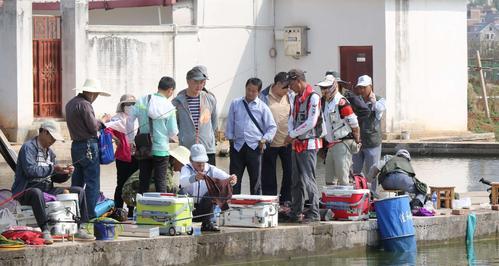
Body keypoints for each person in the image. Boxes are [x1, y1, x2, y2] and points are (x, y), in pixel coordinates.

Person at [11, 121, 94, 243]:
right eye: (52, 137)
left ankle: (80, 228)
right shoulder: (27, 148)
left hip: (47, 189)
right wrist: (53, 168)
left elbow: (55, 177)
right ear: (44, 132)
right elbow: (30, 171)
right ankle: (45, 230)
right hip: (26, 190)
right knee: (36, 192)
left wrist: (66, 173)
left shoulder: (50, 153)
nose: (53, 141)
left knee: (79, 191)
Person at [283, 69, 326, 223]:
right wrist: (291, 133)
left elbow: (311, 122)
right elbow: (292, 117)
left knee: (309, 179)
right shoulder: (295, 98)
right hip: (296, 144)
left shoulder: (313, 97)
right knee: (296, 180)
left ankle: (314, 212)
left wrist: (293, 134)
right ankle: (296, 211)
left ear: (298, 81)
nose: (290, 87)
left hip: (309, 144)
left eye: (291, 84)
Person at [65, 78, 110, 218]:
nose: (96, 97)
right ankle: (89, 215)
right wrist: (102, 121)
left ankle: (74, 214)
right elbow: (92, 126)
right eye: (96, 94)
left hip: (76, 146)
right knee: (92, 182)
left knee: (77, 182)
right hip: (88, 146)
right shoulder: (85, 105)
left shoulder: (70, 104)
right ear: (91, 93)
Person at [225, 78, 277, 195]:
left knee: (256, 180)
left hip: (255, 147)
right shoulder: (235, 103)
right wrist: (230, 140)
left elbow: (272, 127)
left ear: (258, 92)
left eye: (254, 91)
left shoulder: (263, 107)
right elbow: (230, 123)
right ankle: (233, 204)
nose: (250, 93)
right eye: (248, 90)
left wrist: (265, 139)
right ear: (245, 88)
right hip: (237, 146)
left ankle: (255, 206)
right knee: (234, 179)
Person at [128, 76, 179, 194]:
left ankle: (141, 210)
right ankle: (162, 209)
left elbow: (130, 120)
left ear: (159, 87)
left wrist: (130, 139)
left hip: (144, 147)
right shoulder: (169, 106)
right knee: (160, 181)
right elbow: (173, 131)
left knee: (143, 180)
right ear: (170, 90)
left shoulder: (142, 100)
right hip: (161, 149)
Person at [179, 144, 237, 232]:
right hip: (188, 208)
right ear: (191, 160)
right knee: (181, 193)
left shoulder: (211, 169)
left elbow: (227, 178)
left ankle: (207, 223)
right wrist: (194, 177)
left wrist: (233, 179)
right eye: (198, 164)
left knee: (213, 193)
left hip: (204, 207)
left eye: (203, 163)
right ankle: (182, 223)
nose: (201, 167)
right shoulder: (186, 168)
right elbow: (182, 182)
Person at [318, 74, 361, 185]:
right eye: (322, 88)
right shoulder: (325, 102)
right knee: (329, 178)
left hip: (343, 143)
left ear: (333, 87)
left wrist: (357, 140)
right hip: (330, 144)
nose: (323, 90)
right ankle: (332, 200)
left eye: (326, 87)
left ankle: (345, 200)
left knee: (343, 177)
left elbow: (354, 123)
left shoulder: (341, 102)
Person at [121, 144, 191, 211]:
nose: (180, 169)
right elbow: (167, 186)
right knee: (168, 189)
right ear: (176, 160)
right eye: (182, 165)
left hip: (135, 190)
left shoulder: (165, 163)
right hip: (130, 193)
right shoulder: (165, 166)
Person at [259, 72, 294, 203]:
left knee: (290, 173)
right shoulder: (263, 96)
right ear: (278, 84)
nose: (288, 89)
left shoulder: (290, 96)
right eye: (286, 87)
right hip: (269, 142)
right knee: (268, 175)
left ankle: (287, 201)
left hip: (287, 141)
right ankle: (270, 201)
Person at [172, 68, 218, 165]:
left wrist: (209, 136)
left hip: (207, 148)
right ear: (188, 81)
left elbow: (214, 122)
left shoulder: (210, 99)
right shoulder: (177, 102)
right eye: (196, 82)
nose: (199, 85)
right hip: (187, 149)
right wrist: (182, 136)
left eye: (202, 82)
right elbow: (174, 123)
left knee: (209, 178)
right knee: (188, 178)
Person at [105, 94, 139, 216]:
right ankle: (118, 209)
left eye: (133, 104)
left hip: (136, 156)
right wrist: (116, 138)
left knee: (134, 183)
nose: (130, 106)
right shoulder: (117, 118)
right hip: (122, 156)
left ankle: (131, 210)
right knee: (121, 183)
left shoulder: (138, 118)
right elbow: (107, 129)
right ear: (123, 105)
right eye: (128, 104)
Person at [352, 75, 386, 192]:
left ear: (370, 87)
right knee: (355, 170)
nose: (361, 90)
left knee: (372, 172)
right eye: (359, 87)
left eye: (364, 87)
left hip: (372, 142)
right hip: (358, 142)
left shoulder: (380, 99)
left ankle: (373, 196)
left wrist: (373, 102)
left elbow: (381, 109)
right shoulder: (356, 100)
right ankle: (358, 193)